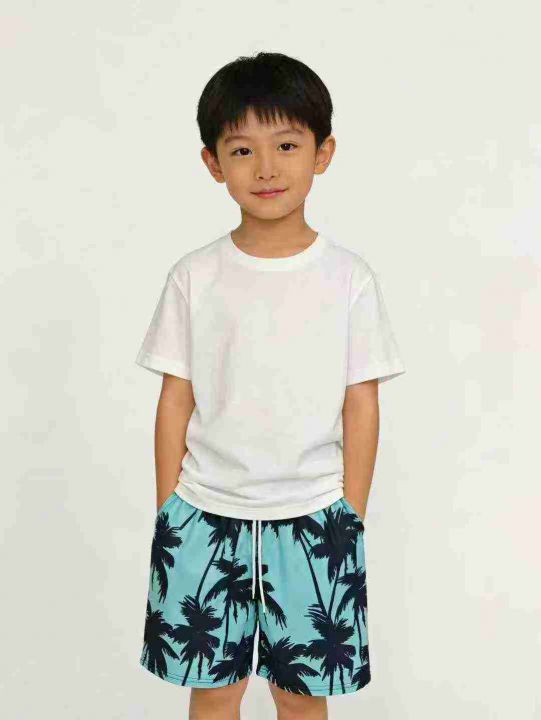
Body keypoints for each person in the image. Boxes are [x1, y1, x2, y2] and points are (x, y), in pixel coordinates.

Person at [135, 51, 406, 720]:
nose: (265, 168)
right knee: (213, 691)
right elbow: (175, 398)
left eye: (286, 145)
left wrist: (349, 513)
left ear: (323, 152)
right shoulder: (195, 276)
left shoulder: (348, 278)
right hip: (205, 511)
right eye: (241, 150)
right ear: (212, 163)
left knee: (302, 696)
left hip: (314, 515)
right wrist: (171, 507)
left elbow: (361, 402)